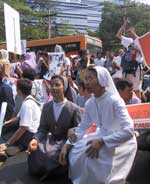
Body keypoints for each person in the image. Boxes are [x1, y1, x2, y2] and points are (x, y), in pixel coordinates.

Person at [59, 66, 137, 184]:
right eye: (85, 79)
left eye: (90, 78)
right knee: (76, 151)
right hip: (100, 135)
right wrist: (68, 144)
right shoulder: (90, 102)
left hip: (120, 141)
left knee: (92, 159)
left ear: (102, 80)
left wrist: (102, 141)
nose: (86, 82)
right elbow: (83, 127)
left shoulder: (115, 101)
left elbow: (129, 131)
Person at [27, 75, 81, 179]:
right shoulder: (46, 107)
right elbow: (43, 128)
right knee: (35, 149)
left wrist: (71, 134)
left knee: (51, 154)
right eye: (52, 85)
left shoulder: (74, 108)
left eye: (57, 85)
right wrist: (35, 139)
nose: (54, 88)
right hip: (50, 140)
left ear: (64, 87)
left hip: (66, 141)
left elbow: (79, 129)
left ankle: (51, 173)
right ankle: (46, 171)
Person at [0, 78, 41, 161]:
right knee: (6, 131)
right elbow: (18, 118)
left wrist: (8, 144)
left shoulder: (28, 104)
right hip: (28, 132)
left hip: (30, 134)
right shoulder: (28, 101)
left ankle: (11, 149)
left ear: (19, 90)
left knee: (4, 143)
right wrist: (4, 123)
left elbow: (23, 128)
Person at [116, 17, 144, 98]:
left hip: (137, 68)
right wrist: (124, 25)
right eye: (127, 32)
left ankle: (138, 106)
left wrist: (136, 49)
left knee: (137, 89)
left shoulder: (141, 40)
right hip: (128, 68)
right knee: (127, 88)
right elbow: (118, 35)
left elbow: (144, 54)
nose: (128, 34)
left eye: (130, 31)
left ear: (134, 31)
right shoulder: (128, 41)